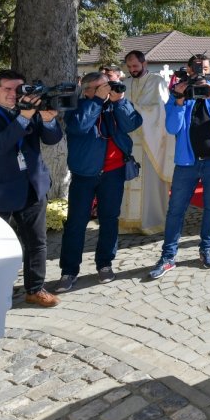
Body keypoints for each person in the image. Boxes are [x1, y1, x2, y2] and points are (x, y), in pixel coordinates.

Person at [152, 57, 210, 277]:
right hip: (187, 162)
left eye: (205, 68)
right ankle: (168, 256)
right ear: (189, 71)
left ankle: (206, 249)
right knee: (176, 209)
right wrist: (180, 101)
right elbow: (173, 127)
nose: (202, 72)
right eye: (197, 69)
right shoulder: (178, 93)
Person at [57, 71, 143, 292]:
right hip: (85, 174)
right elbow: (79, 127)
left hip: (113, 172)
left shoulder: (114, 104)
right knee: (76, 223)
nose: (108, 89)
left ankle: (105, 264)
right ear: (88, 90)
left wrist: (120, 102)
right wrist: (96, 101)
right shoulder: (76, 106)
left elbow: (133, 123)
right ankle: (69, 270)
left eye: (108, 85)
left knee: (109, 218)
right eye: (101, 87)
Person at [0, 70, 64, 307]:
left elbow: (52, 139)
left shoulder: (30, 109)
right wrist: (23, 118)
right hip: (0, 188)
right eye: (7, 89)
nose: (13, 94)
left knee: (36, 242)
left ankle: (35, 289)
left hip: (32, 185)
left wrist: (49, 120)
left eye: (17, 89)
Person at [119, 50, 175, 236]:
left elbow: (159, 109)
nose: (132, 70)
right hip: (128, 143)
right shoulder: (125, 84)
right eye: (129, 67)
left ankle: (151, 221)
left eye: (135, 66)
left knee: (150, 184)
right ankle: (128, 221)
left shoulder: (157, 82)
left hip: (150, 142)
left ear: (145, 63)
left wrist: (131, 108)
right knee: (127, 182)